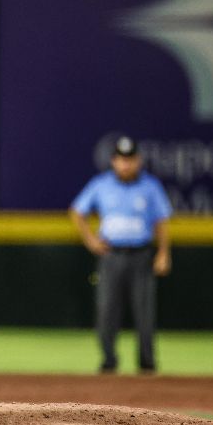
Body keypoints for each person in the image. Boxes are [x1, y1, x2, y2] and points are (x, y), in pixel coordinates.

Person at [70, 135, 172, 375]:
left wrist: (164, 253)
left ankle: (147, 364)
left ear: (138, 161)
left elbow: (162, 222)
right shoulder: (101, 184)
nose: (126, 164)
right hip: (111, 256)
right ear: (114, 161)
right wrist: (91, 240)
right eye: (121, 159)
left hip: (141, 255)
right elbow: (76, 211)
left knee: (144, 312)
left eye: (130, 159)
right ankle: (108, 361)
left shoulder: (150, 186)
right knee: (106, 310)